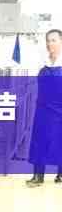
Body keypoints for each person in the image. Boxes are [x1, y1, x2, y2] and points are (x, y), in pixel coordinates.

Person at [27, 29, 62, 187]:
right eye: (48, 40)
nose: (50, 44)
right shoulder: (42, 62)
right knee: (39, 140)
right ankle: (38, 175)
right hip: (42, 108)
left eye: (53, 40)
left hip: (60, 108)